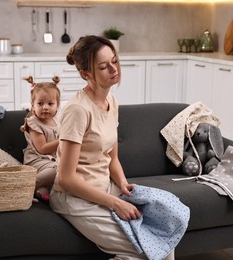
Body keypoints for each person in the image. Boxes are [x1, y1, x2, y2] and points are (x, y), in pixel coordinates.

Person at [50, 35, 176, 260]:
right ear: (85, 74)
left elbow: (112, 156)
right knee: (148, 252)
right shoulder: (77, 110)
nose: (114, 69)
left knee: (164, 243)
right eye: (103, 66)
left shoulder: (112, 102)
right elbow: (66, 177)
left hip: (106, 187)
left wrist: (123, 184)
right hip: (76, 197)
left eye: (114, 61)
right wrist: (116, 203)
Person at [21, 76, 61, 203]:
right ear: (32, 106)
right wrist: (64, 141)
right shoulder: (33, 123)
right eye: (40, 103)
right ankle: (24, 186)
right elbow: (42, 149)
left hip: (52, 160)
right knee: (59, 169)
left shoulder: (58, 120)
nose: (45, 107)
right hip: (36, 160)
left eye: (50, 104)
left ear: (57, 106)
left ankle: (40, 191)